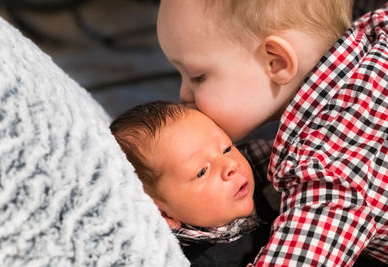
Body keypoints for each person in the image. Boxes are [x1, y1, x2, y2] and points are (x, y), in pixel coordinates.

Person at [157, 0, 388, 265]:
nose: (183, 94)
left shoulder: (331, 171)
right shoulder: (374, 30)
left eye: (197, 76)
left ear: (276, 62)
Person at [110, 101, 280, 267]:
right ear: (163, 215)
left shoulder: (252, 166)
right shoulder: (193, 260)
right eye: (201, 172)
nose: (230, 165)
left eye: (227, 148)